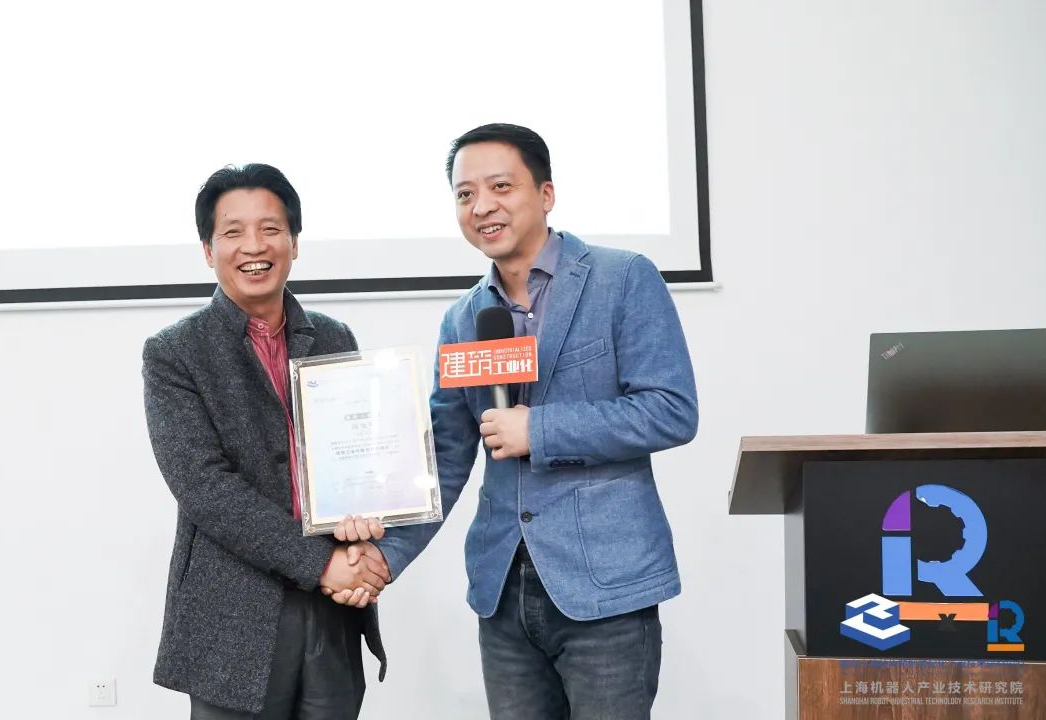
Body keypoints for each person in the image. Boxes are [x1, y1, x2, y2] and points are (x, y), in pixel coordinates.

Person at [376, 124, 699, 719]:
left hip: (606, 588)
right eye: (465, 194)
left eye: (500, 186)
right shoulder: (463, 319)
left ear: (546, 194)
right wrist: (383, 557)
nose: (482, 206)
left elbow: (670, 410)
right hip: (502, 591)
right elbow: (446, 455)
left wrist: (539, 430)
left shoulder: (622, 278)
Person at [142, 164, 390, 719]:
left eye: (271, 229)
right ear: (208, 250)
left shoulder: (333, 337)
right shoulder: (174, 353)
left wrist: (366, 533)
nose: (254, 246)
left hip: (332, 609)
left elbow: (357, 458)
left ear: (294, 243)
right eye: (233, 232)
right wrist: (321, 563)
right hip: (234, 613)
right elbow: (204, 488)